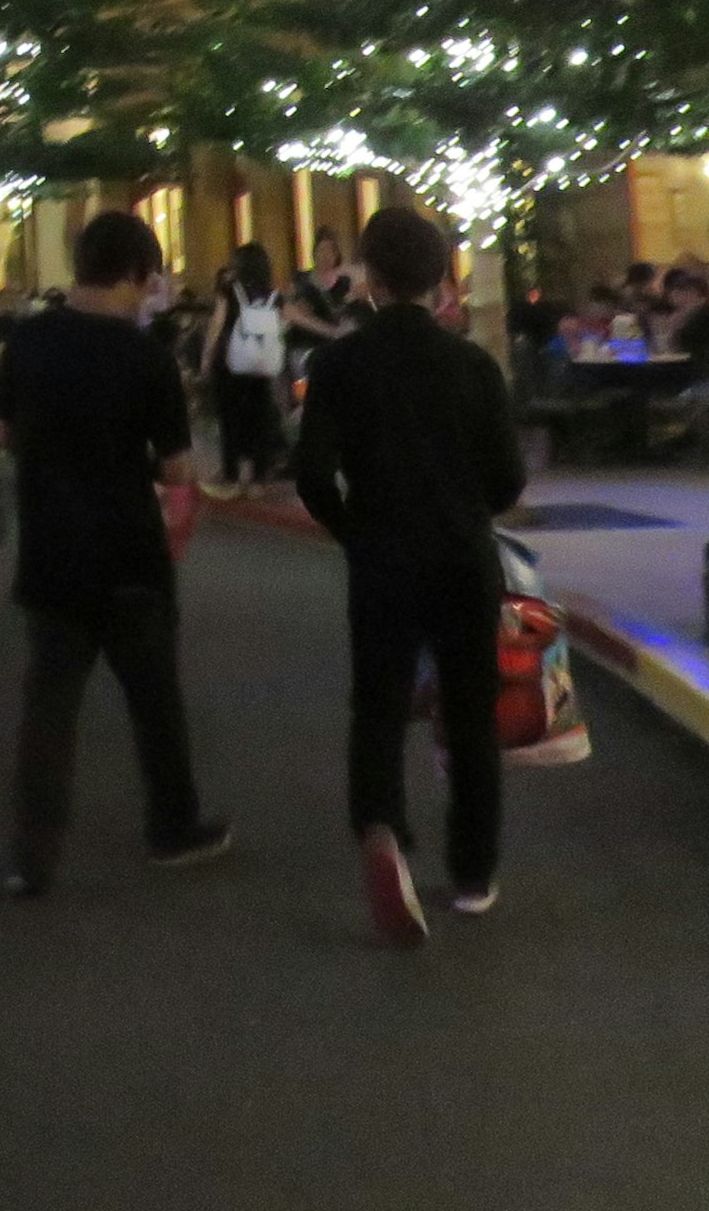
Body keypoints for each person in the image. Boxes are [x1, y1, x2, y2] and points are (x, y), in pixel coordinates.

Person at [293, 203, 524, 943]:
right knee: (469, 712)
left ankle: (382, 827)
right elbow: (508, 479)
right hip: (461, 553)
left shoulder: (338, 363)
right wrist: (467, 507)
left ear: (371, 279)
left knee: (379, 705)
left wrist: (354, 530)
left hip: (383, 554)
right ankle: (473, 872)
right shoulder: (472, 365)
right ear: (442, 279)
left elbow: (312, 476)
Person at [0, 210, 232, 896]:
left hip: (50, 548)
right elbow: (179, 469)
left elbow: (1, 431)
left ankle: (31, 856)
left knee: (50, 707)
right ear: (134, 273)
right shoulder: (145, 354)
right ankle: (173, 826)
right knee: (155, 698)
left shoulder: (27, 342)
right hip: (129, 551)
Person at [202, 242, 292, 493]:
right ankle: (258, 478)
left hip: (230, 362)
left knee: (231, 417)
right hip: (261, 363)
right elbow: (285, 320)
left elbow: (217, 322)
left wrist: (207, 357)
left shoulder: (229, 289)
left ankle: (231, 475)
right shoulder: (271, 293)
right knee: (259, 417)